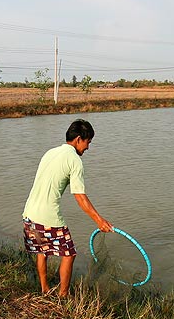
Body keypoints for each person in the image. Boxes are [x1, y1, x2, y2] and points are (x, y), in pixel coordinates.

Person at [22, 118, 113, 297]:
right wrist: (99, 220)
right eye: (88, 143)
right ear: (79, 139)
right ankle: (63, 295)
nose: (88, 148)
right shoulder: (74, 160)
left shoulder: (50, 152)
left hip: (29, 213)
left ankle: (45, 289)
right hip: (48, 216)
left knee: (42, 251)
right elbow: (79, 196)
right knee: (69, 253)